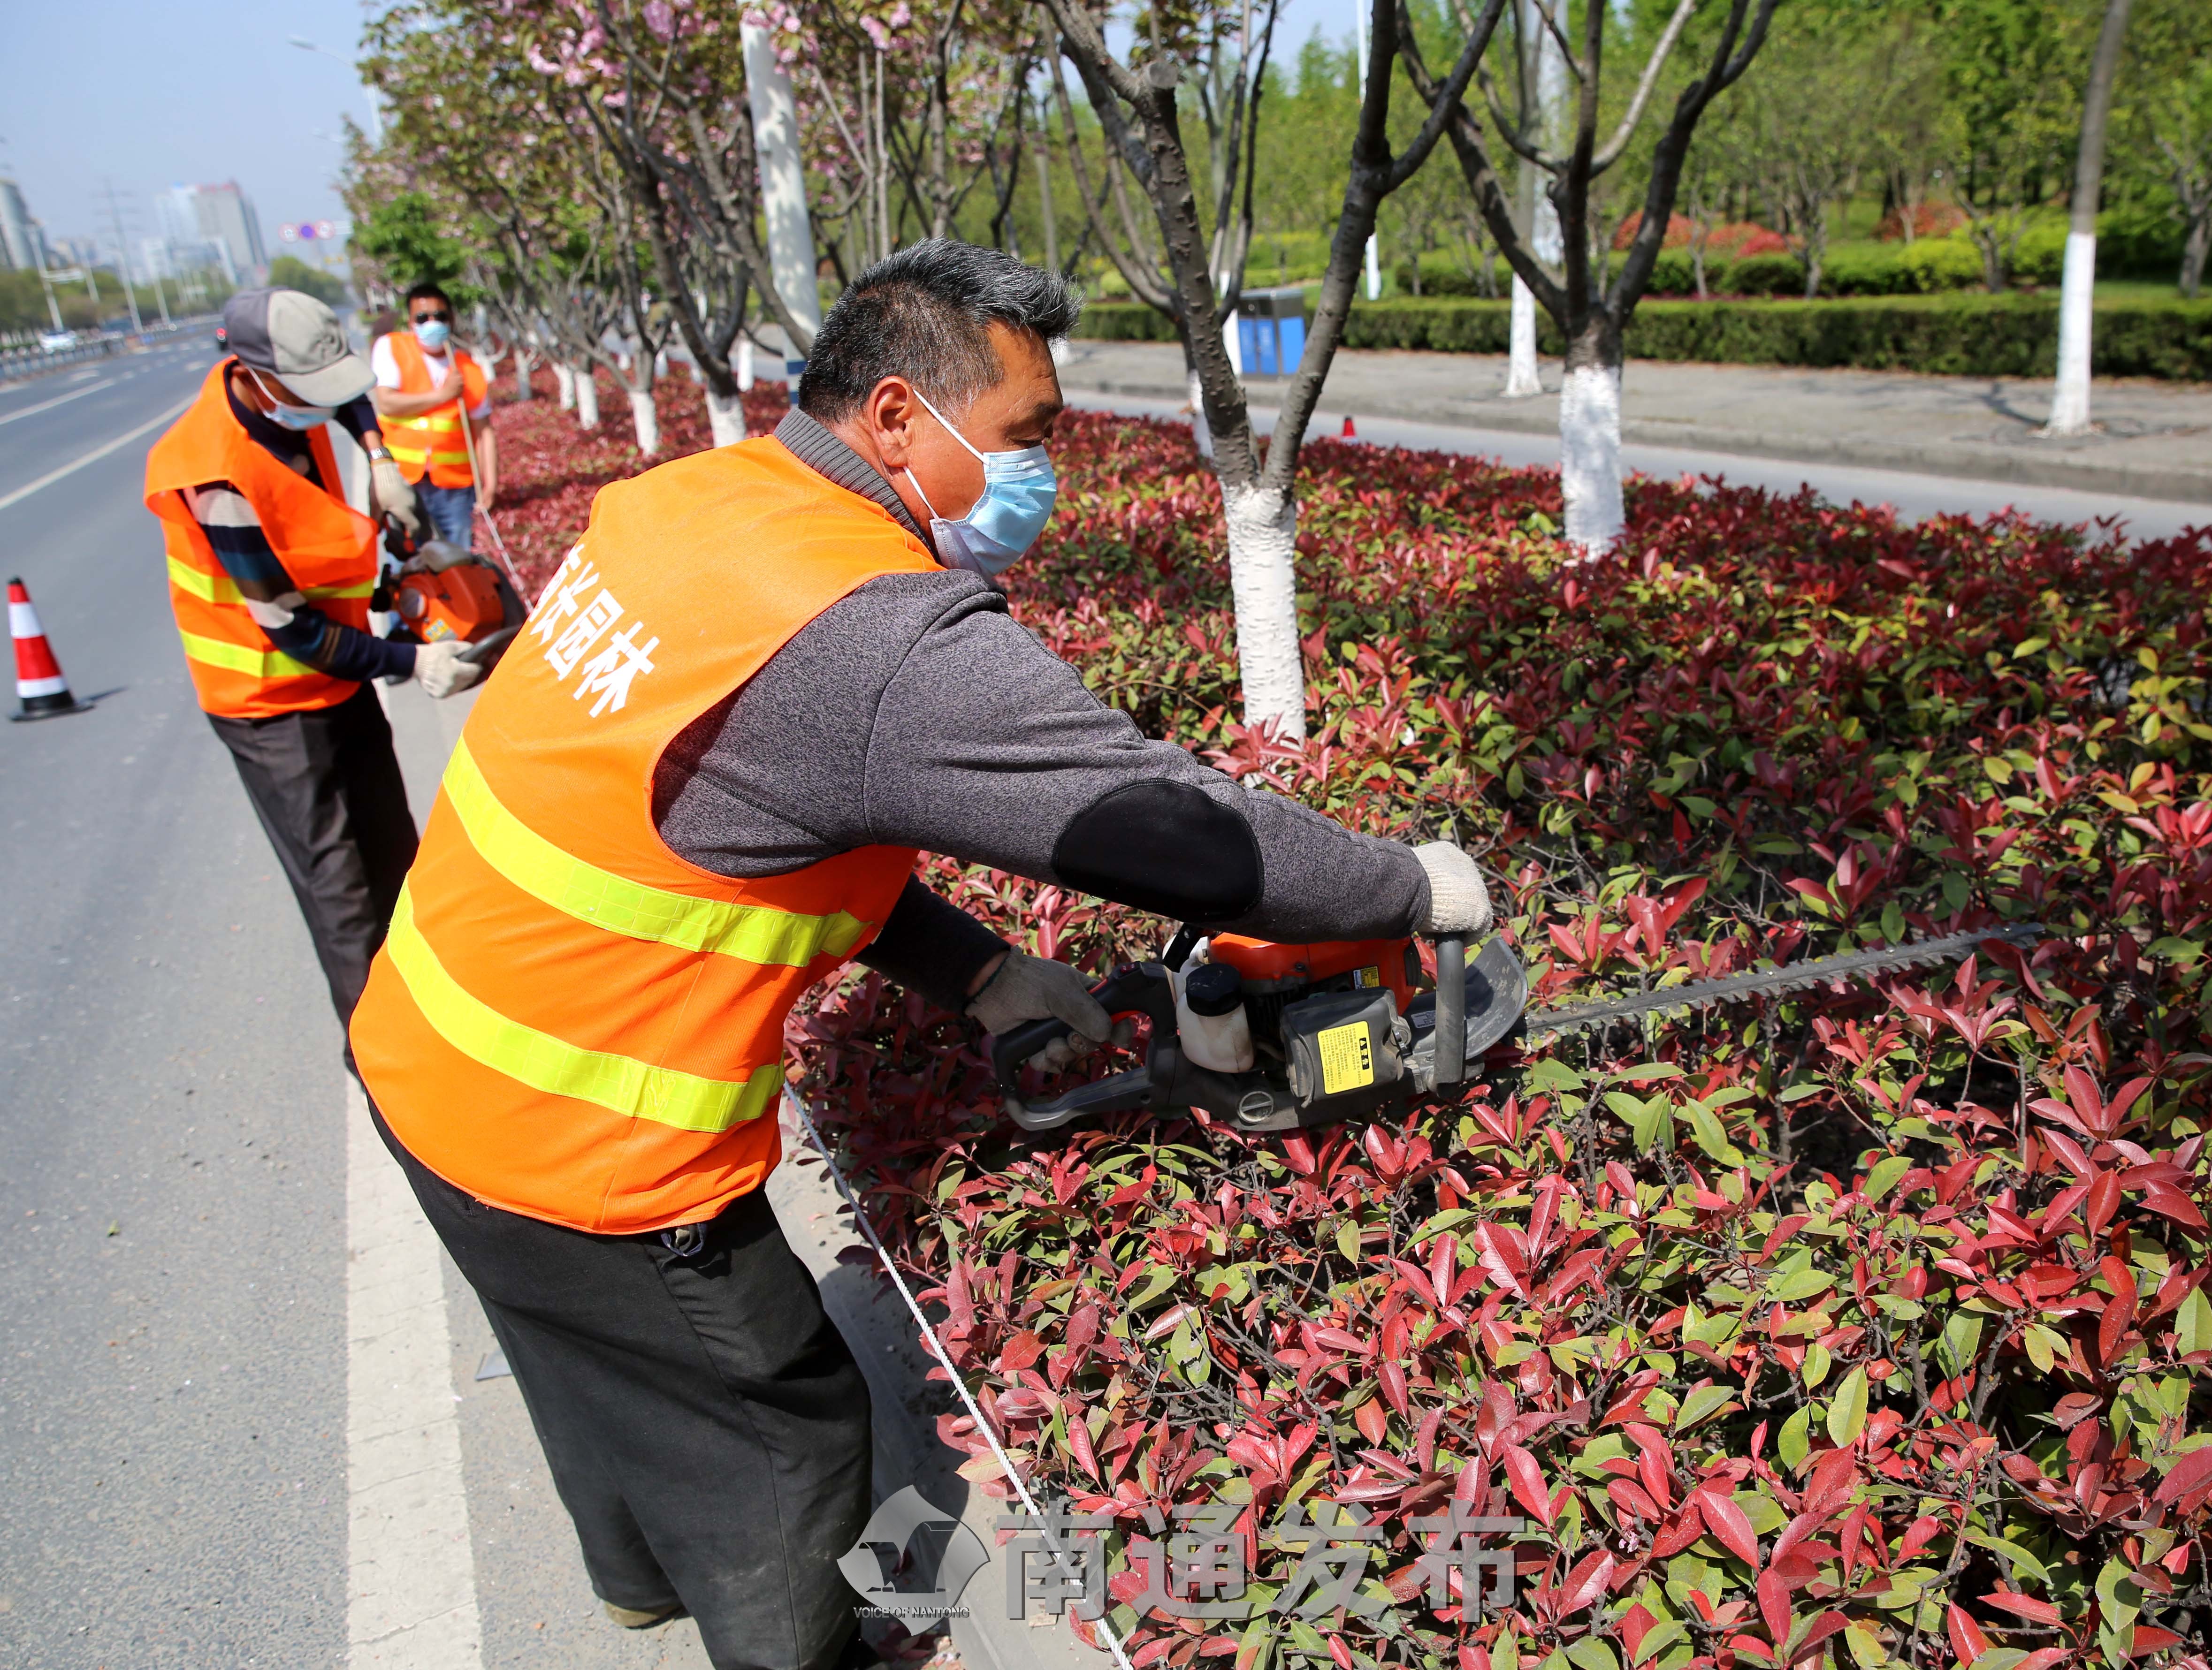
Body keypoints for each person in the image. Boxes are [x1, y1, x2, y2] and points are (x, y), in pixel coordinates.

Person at [347, 241, 1492, 1670]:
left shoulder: (693, 502)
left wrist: (989, 976)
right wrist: (1413, 883)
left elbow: (740, 820)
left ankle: (641, 1581)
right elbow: (1177, 831)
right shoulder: (870, 632)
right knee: (788, 1437)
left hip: (426, 1051)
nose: (1042, 476)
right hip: (580, 1138)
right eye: (1025, 437)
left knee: (600, 1374)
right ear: (897, 416)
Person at [145, 287, 486, 1037]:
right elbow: (292, 633)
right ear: (251, 373)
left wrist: (380, 458)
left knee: (395, 850)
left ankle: (432, 1018)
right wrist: (414, 660)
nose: (322, 404)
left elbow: (352, 401)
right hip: (268, 707)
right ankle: (379, 1050)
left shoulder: (287, 396)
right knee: (340, 889)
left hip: (336, 680)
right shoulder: (214, 474)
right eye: (310, 393)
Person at [371, 281, 497, 551]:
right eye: (423, 317)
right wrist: (442, 396)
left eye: (439, 316)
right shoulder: (392, 348)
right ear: (411, 321)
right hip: (404, 478)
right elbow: (388, 403)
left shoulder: (468, 369)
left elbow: (483, 432)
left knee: (458, 556)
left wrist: (491, 483)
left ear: (451, 320)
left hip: (454, 485)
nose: (432, 323)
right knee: (408, 552)